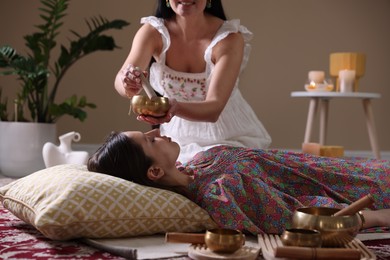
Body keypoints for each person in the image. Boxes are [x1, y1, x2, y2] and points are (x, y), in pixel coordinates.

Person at [88, 129, 390, 235]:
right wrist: (371, 217)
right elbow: (292, 216)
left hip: (341, 167)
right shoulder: (219, 193)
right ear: (153, 172)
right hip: (352, 187)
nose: (157, 132)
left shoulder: (195, 163)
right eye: (149, 141)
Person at [114, 0, 271, 163]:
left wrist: (173, 108)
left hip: (227, 134)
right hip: (174, 137)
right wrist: (127, 84)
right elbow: (120, 80)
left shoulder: (229, 37)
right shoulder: (153, 32)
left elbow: (214, 108)